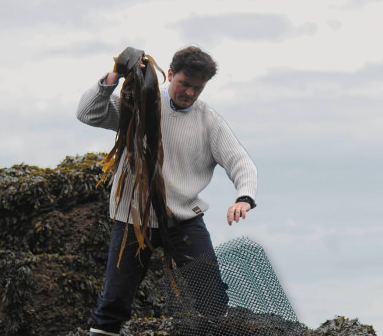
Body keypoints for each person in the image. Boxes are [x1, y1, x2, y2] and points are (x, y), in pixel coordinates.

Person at [76, 45, 257, 336]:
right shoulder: (141, 104)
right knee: (114, 301)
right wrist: (115, 75)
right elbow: (88, 113)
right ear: (170, 74)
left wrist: (244, 197)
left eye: (197, 88)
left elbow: (241, 162)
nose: (189, 93)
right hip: (133, 219)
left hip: (183, 219)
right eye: (184, 84)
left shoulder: (208, 120)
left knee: (211, 296)